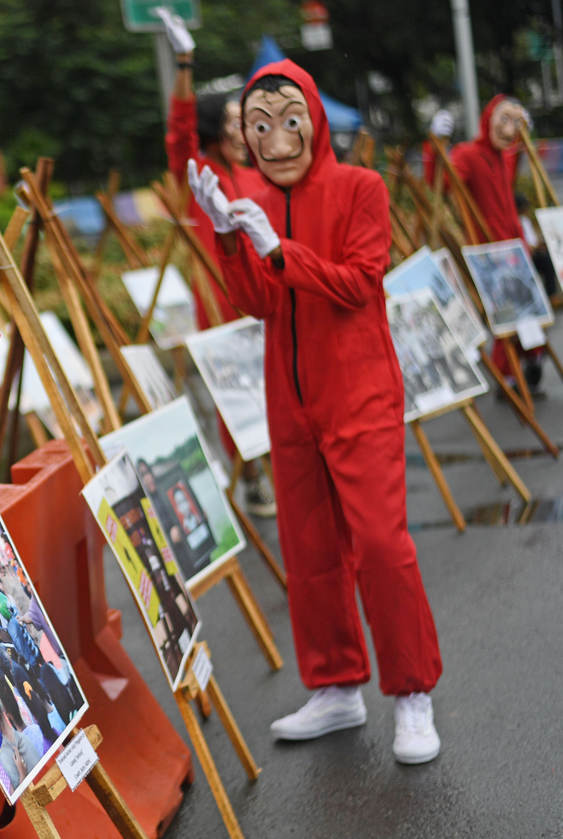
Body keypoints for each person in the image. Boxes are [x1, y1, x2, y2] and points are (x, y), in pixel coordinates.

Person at [188, 59, 444, 764]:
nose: (274, 137)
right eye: (258, 124)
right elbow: (258, 303)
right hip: (288, 397)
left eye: (287, 120)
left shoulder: (361, 186)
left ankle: (412, 693)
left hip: (358, 390)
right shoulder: (258, 203)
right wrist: (227, 237)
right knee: (307, 550)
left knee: (381, 545)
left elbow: (359, 284)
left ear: (314, 121)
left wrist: (283, 251)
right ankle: (335, 684)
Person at [157, 7, 275, 517]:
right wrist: (184, 62)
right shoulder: (197, 168)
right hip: (222, 299)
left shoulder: (256, 173)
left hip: (267, 291)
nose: (240, 127)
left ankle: (279, 467)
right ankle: (253, 473)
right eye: (230, 120)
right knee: (239, 393)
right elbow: (179, 130)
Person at [444, 95, 547, 392]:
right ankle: (508, 374)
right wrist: (434, 146)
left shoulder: (504, 157)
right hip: (489, 251)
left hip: (515, 249)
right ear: (488, 118)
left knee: (527, 308)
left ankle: (531, 359)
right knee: (505, 313)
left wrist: (525, 130)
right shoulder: (467, 153)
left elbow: (518, 154)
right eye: (505, 119)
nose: (510, 128)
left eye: (516, 121)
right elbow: (446, 182)